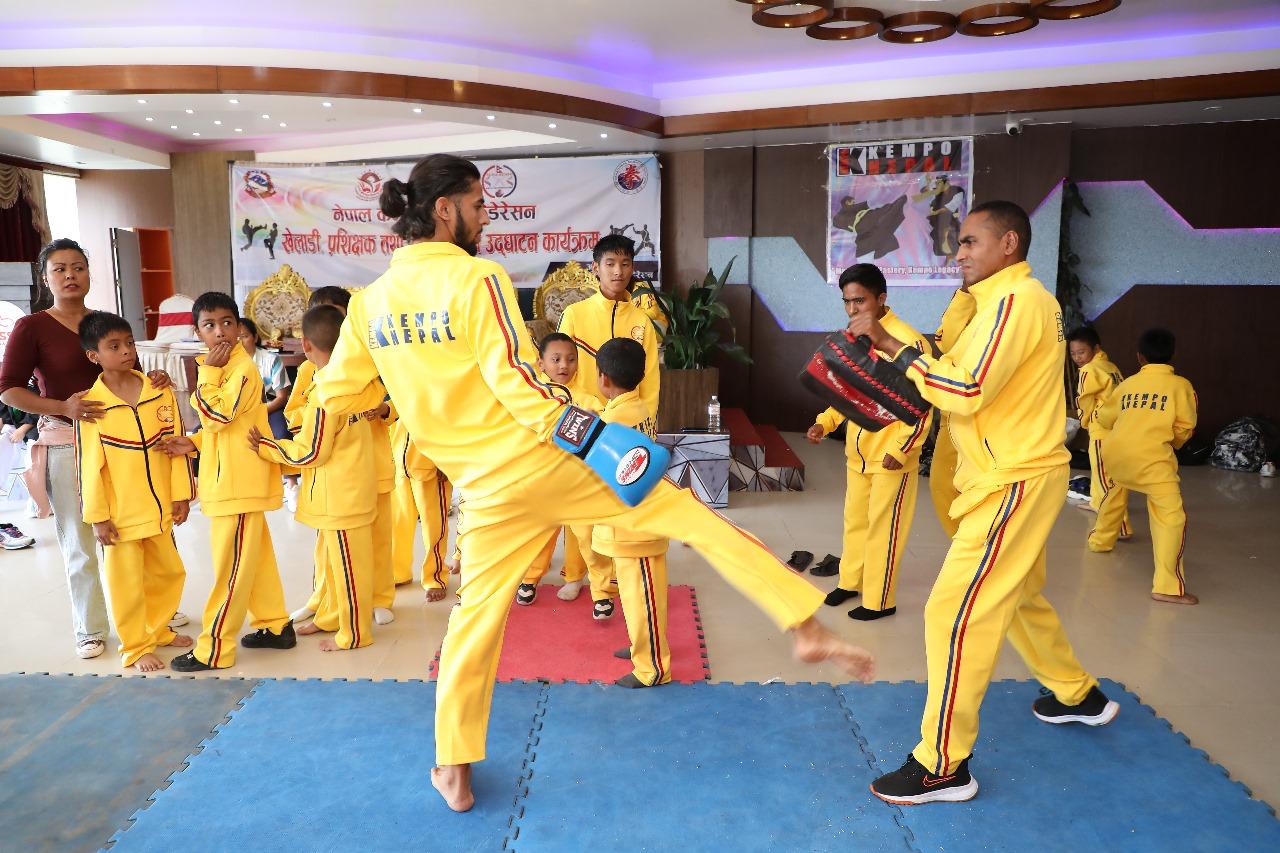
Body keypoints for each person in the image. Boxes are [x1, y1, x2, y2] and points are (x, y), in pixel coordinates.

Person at [314, 153, 874, 814]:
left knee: (473, 623)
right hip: (542, 459)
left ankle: (454, 766)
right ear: (444, 209)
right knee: (687, 514)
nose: (486, 215)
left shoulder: (370, 303)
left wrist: (393, 392)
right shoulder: (476, 278)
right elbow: (520, 388)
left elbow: (336, 392)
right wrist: (601, 440)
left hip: (484, 492)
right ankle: (803, 623)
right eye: (478, 203)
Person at [849, 201, 1114, 806]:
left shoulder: (1016, 301)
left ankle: (942, 765)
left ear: (1009, 244)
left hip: (1013, 479)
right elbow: (952, 366)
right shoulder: (998, 303)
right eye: (959, 242)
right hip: (1013, 473)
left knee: (954, 613)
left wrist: (894, 345)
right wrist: (896, 351)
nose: (959, 252)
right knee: (1017, 595)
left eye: (970, 241)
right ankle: (1078, 695)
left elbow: (964, 389)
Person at [0, 237, 180, 660]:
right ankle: (91, 627)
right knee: (81, 541)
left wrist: (155, 380)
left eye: (78, 267)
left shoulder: (104, 322)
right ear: (45, 277)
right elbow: (8, 390)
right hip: (68, 443)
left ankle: (154, 619)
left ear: (88, 273)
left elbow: (132, 372)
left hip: (126, 447)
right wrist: (62, 407)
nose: (70, 275)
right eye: (60, 269)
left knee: (141, 532)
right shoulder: (32, 327)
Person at [165, 292, 296, 672]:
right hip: (234, 481)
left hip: (237, 486)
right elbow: (229, 430)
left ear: (239, 328)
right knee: (254, 558)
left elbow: (218, 415)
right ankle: (276, 626)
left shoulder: (241, 369)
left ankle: (214, 648)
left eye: (227, 323)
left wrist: (206, 374)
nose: (220, 332)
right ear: (198, 332)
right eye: (210, 325)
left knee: (231, 568)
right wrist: (193, 442)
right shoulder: (225, 369)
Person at [252, 305, 387, 651]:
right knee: (333, 564)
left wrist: (269, 447)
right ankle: (329, 617)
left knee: (349, 570)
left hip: (341, 498)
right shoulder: (360, 382)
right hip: (348, 491)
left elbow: (312, 452)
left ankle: (354, 634)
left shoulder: (327, 393)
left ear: (306, 346)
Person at [806, 263, 933, 621]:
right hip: (858, 455)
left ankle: (880, 601)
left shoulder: (908, 341)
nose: (852, 309)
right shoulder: (854, 337)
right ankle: (850, 582)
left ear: (881, 298)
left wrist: (902, 449)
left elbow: (925, 404)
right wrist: (825, 422)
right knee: (855, 522)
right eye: (847, 302)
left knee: (884, 530)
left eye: (859, 301)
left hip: (892, 457)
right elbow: (848, 391)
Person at [74, 311, 194, 671]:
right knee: (125, 583)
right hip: (121, 514)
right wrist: (98, 517)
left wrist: (181, 494)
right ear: (94, 356)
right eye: (114, 346)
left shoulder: (160, 391)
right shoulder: (91, 407)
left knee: (168, 573)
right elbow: (89, 467)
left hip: (160, 507)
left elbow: (176, 444)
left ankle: (158, 630)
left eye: (129, 343)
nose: (126, 350)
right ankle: (136, 646)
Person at [1087, 328, 1199, 605]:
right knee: (1170, 517)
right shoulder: (1181, 386)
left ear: (1139, 357)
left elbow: (1105, 418)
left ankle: (1100, 541)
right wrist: (1173, 442)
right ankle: (1167, 587)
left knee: (1114, 494)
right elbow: (1185, 428)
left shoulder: (1128, 384)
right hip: (1152, 460)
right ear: (1173, 354)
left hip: (1117, 455)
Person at [516, 332, 616, 615]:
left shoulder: (587, 399)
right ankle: (530, 578)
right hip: (542, 480)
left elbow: (604, 428)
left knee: (584, 538)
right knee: (539, 534)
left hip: (577, 483)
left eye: (571, 359)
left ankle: (595, 589)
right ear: (541, 363)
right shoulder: (532, 399)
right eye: (556, 359)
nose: (564, 365)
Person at [590, 338, 671, 687]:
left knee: (644, 598)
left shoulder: (611, 422)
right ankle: (643, 646)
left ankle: (652, 668)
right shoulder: (642, 409)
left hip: (635, 527)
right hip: (634, 521)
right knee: (636, 596)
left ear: (603, 378)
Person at [558, 234, 660, 419]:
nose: (618, 271)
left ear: (632, 268)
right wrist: (590, 408)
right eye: (610, 264)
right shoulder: (573, 315)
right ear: (595, 268)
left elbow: (650, 383)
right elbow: (559, 373)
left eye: (625, 264)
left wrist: (645, 422)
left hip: (628, 422)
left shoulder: (642, 321)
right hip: (584, 417)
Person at [283, 287, 353, 511]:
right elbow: (292, 414)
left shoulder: (361, 364)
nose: (329, 325)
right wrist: (315, 417)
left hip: (361, 466)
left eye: (336, 318)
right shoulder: (307, 369)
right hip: (323, 465)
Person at [1068, 326, 1130, 536]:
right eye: (1073, 353)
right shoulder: (1110, 367)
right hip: (1118, 427)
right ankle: (1096, 503)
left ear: (1096, 348)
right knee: (1103, 474)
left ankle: (1119, 527)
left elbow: (1084, 401)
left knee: (1105, 478)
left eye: (1081, 352)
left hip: (1102, 430)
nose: (1077, 357)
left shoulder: (1089, 371)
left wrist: (1085, 421)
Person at [926, 286, 977, 539]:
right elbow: (946, 342)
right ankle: (966, 548)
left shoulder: (1009, 300)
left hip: (983, 416)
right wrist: (965, 294)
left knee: (980, 492)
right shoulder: (966, 296)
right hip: (954, 411)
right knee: (942, 484)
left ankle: (976, 551)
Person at [237, 317, 292, 439]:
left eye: (244, 336)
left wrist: (257, 413)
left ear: (255, 338)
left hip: (270, 408)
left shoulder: (272, 360)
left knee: (281, 435)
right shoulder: (228, 361)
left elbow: (281, 398)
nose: (240, 342)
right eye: (236, 338)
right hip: (237, 412)